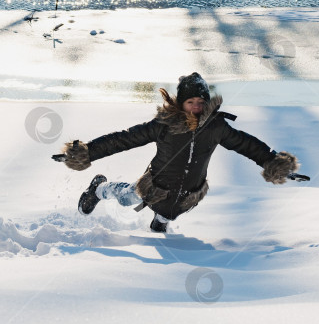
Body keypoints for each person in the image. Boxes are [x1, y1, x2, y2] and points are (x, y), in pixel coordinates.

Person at [58, 72, 300, 233]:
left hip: (188, 193)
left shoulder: (216, 128)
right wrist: (86, 153)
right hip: (154, 186)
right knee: (126, 198)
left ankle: (160, 223)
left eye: (200, 102)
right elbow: (124, 139)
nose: (196, 107)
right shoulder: (164, 125)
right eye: (190, 102)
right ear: (180, 103)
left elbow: (246, 145)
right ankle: (99, 189)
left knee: (171, 213)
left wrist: (273, 162)